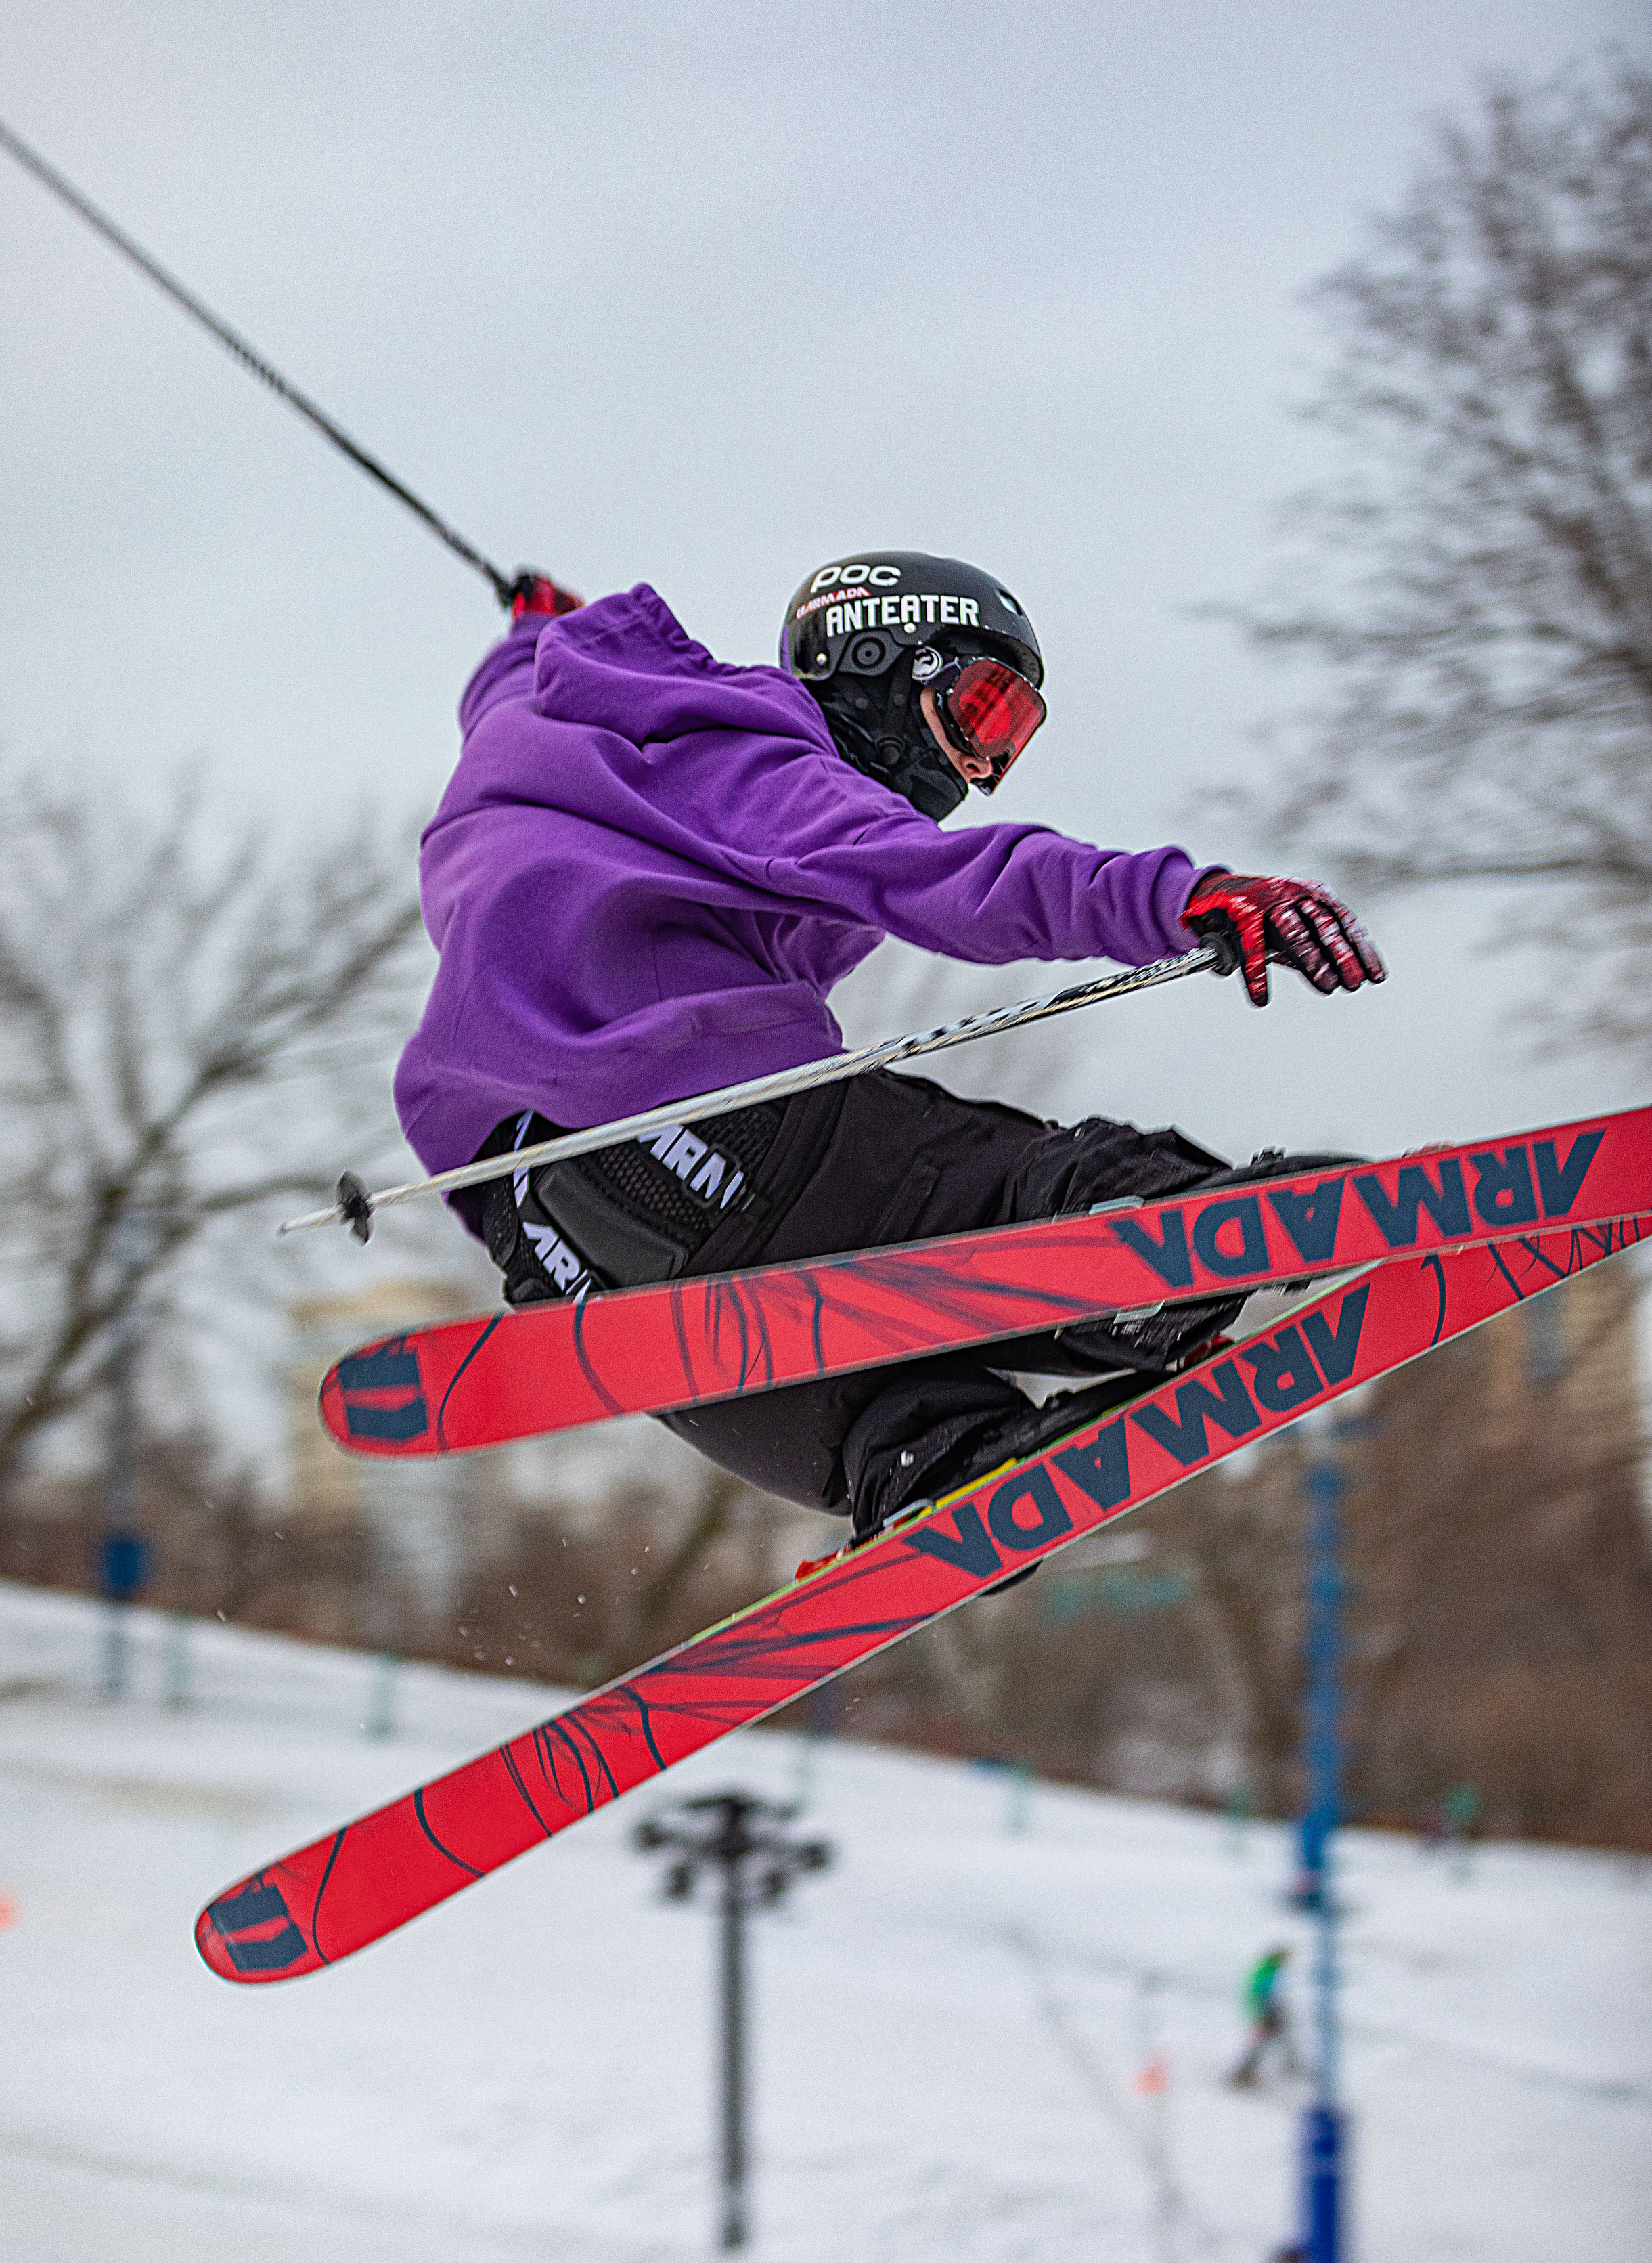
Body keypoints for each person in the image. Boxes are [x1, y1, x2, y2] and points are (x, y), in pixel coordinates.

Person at [395, 555, 1384, 1537]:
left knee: (852, 1405)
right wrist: (1176, 898)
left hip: (562, 1240)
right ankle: (1138, 1235)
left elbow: (506, 688)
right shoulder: (751, 755)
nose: (983, 769)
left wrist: (531, 633)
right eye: (983, 709)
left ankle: (933, 1459)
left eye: (1012, 742)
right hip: (717, 1128)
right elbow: (945, 873)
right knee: (989, 1191)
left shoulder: (535, 730)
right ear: (874, 656)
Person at [1230, 1946, 1295, 2088]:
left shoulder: (1270, 1971)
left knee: (1281, 2041)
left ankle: (1292, 2067)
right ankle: (1242, 2074)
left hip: (1270, 2014)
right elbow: (1261, 1995)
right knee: (1262, 2044)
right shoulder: (1267, 1972)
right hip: (1267, 2015)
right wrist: (1266, 2014)